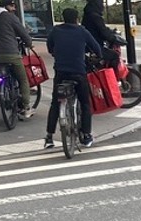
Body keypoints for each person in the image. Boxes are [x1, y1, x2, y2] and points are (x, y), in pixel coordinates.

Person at [44, 6, 102, 149]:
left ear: (63, 18)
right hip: (78, 72)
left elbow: (49, 46)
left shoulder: (56, 31)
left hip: (61, 73)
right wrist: (98, 56)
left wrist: (54, 52)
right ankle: (87, 135)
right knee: (85, 103)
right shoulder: (82, 31)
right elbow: (96, 48)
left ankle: (49, 137)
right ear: (77, 19)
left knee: (55, 103)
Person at [0, 0, 35, 122]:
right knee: (23, 79)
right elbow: (22, 32)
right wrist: (29, 43)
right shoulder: (10, 17)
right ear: (7, 6)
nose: (14, 8)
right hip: (11, 54)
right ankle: (26, 106)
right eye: (12, 6)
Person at [82, 0, 126, 71]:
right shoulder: (96, 16)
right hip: (95, 47)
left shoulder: (88, 14)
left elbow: (101, 28)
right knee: (114, 56)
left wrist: (110, 31)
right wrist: (114, 38)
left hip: (87, 47)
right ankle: (112, 78)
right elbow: (104, 33)